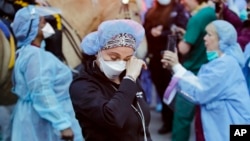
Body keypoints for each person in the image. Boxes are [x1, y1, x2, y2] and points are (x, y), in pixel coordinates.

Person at [162, 20, 250, 141]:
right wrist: (175, 68)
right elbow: (200, 85)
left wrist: (177, 67)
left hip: (228, 130)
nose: (204, 38)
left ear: (222, 40)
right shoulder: (221, 62)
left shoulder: (225, 65)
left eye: (209, 34)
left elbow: (200, 90)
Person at [69, 19, 152, 141]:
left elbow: (142, 125)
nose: (120, 64)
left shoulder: (128, 77)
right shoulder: (82, 85)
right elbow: (113, 118)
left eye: (126, 59)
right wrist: (130, 79)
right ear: (97, 52)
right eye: (113, 57)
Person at [10, 5, 83, 141]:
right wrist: (62, 124)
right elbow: (41, 91)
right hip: (44, 123)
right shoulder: (35, 56)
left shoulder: (30, 53)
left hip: (36, 119)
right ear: (33, 28)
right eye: (43, 22)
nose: (47, 25)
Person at [171, 0, 217, 140]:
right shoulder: (210, 12)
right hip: (207, 70)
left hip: (192, 73)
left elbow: (183, 49)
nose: (182, 1)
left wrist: (179, 41)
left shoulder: (197, 18)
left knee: (182, 119)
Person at [143, 0, 189, 134]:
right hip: (155, 57)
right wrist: (151, 31)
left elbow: (181, 31)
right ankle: (166, 120)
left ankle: (173, 121)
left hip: (171, 57)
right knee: (161, 90)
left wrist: (162, 34)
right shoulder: (152, 10)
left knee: (172, 90)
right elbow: (144, 28)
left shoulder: (178, 9)